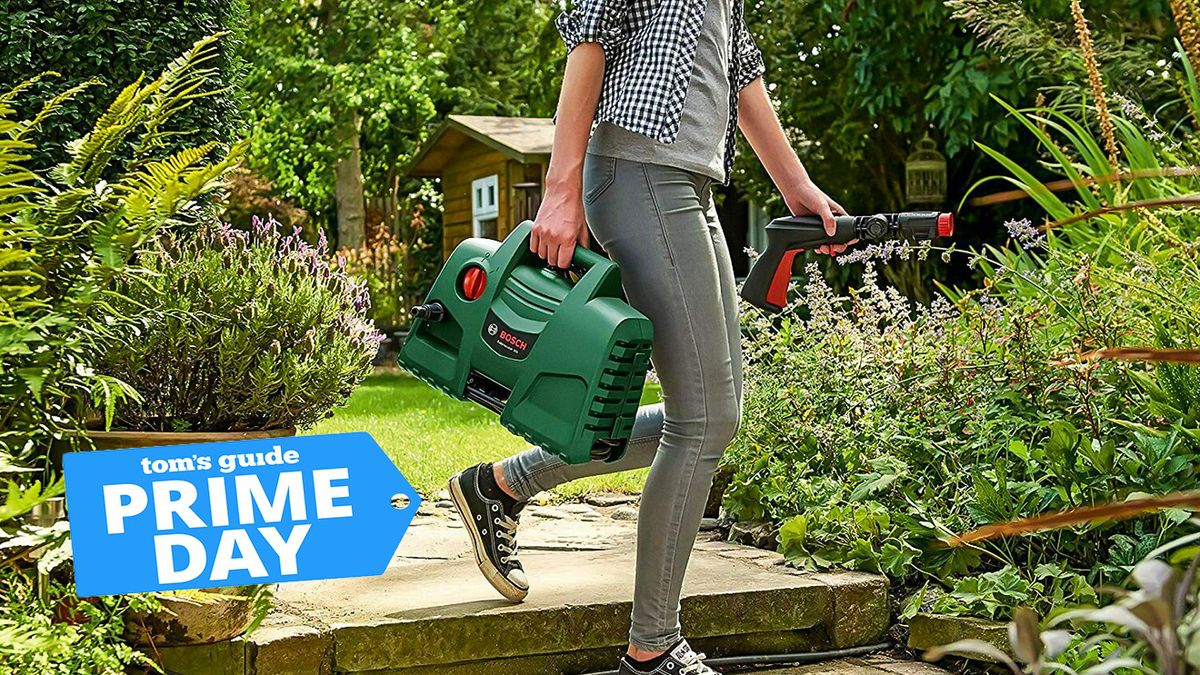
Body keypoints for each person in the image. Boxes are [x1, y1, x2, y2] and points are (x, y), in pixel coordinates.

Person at [447, 0, 850, 672]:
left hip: (686, 182)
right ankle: (652, 647)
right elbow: (591, 37)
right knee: (705, 420)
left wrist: (795, 185)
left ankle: (502, 484)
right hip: (638, 172)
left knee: (712, 412)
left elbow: (740, 65)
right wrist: (558, 188)